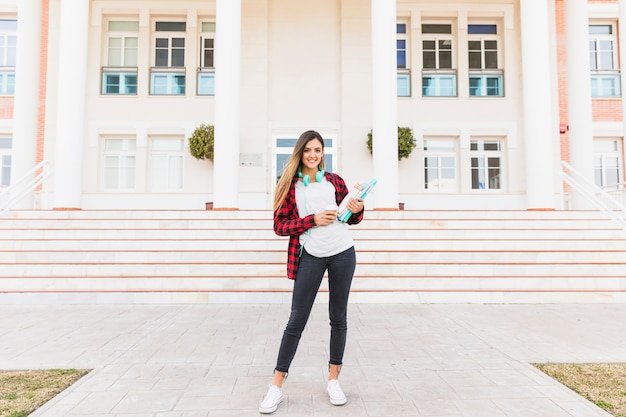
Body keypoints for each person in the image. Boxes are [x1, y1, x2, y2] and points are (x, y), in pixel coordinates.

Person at [259, 129, 365, 414]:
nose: (313, 154)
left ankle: (333, 380)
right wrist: (311, 220)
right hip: (311, 257)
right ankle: (276, 386)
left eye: (318, 149)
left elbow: (351, 218)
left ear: (323, 154)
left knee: (338, 318)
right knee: (296, 320)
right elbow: (280, 226)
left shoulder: (334, 181)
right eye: (308, 150)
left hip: (343, 252)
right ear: (300, 153)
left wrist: (357, 207)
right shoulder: (290, 186)